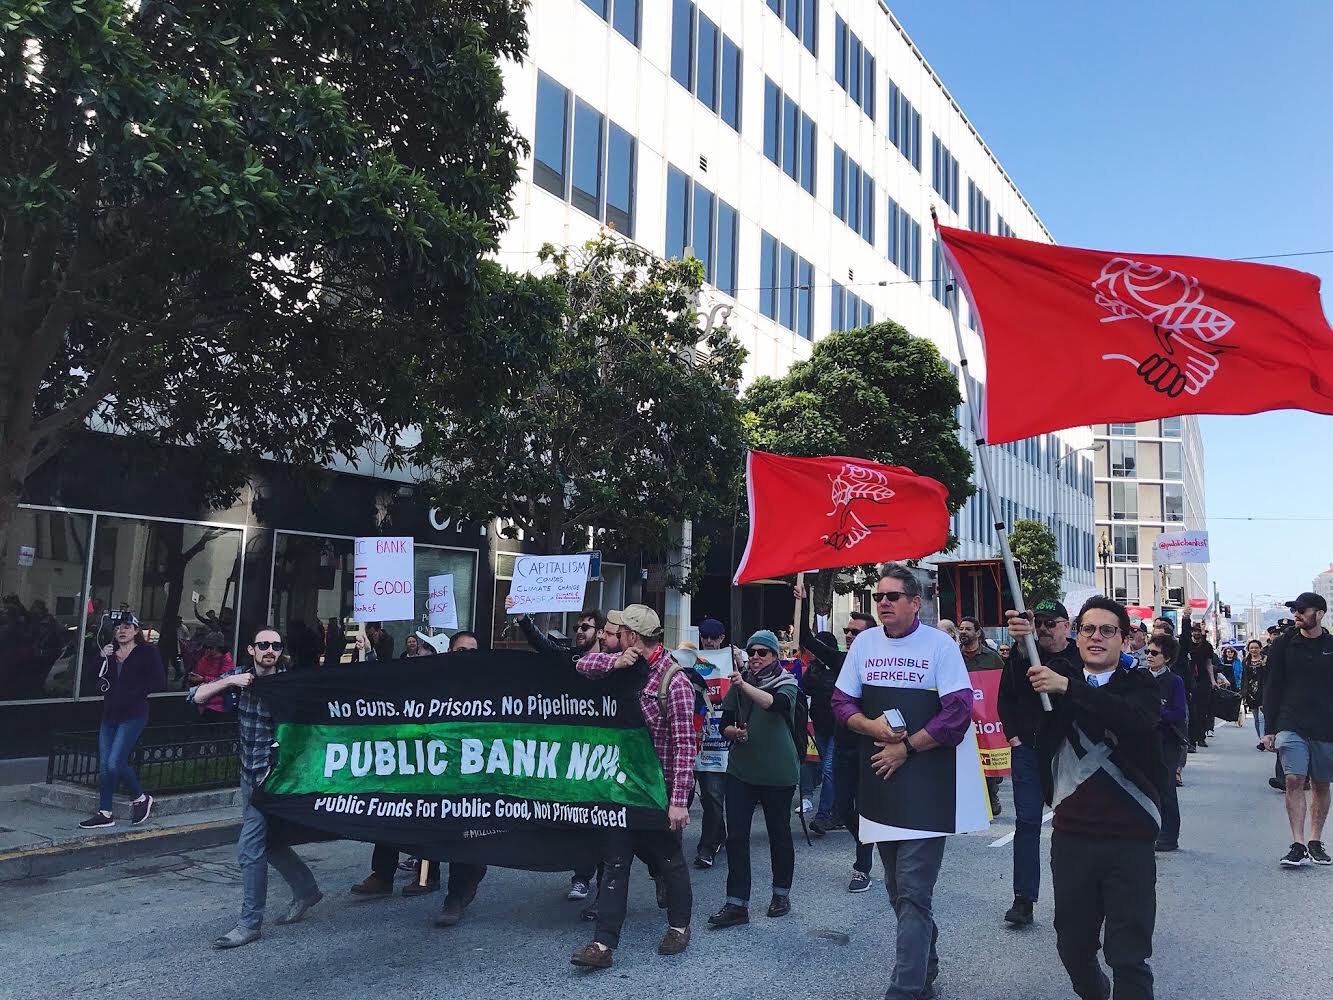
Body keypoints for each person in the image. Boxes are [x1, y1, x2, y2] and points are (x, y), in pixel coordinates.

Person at [831, 564, 975, 1000]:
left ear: (916, 603)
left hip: (928, 787)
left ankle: (906, 988)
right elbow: (840, 701)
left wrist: (906, 747)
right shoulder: (864, 645)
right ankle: (926, 963)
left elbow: (958, 713)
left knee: (913, 892)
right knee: (897, 890)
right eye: (879, 597)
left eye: (893, 596)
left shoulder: (939, 646)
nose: (884, 603)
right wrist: (871, 728)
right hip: (880, 787)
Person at [1025, 597, 1163, 1000]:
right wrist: (1023, 644)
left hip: (1130, 838)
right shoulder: (1057, 677)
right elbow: (1023, 685)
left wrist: (1070, 687)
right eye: (1088, 629)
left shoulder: (1140, 685)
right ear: (1076, 635)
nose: (1097, 637)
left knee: (1128, 954)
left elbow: (1132, 721)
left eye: (1107, 630)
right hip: (1073, 837)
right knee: (1073, 944)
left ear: (1124, 639)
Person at [569, 605, 693, 969]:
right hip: (623, 788)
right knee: (615, 862)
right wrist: (614, 664)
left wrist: (679, 801)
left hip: (658, 791)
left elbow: (686, 744)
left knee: (669, 860)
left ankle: (679, 927)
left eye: (619, 631)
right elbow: (581, 665)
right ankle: (603, 945)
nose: (613, 636)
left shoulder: (674, 681)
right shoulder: (623, 666)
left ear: (633, 637)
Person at [191, 628, 322, 948]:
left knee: (250, 849)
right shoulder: (238, 678)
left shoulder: (288, 684)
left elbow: (308, 729)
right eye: (263, 645)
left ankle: (249, 924)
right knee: (271, 842)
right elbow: (195, 696)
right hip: (249, 775)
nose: (270, 651)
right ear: (251, 649)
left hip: (274, 779)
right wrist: (228, 682)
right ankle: (306, 888)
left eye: (276, 646)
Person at [350, 631, 488, 912]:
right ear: (449, 651)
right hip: (423, 763)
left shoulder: (486, 687)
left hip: (462, 772)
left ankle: (454, 894)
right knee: (392, 811)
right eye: (461, 650)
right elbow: (388, 687)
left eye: (474, 651)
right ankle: (383, 873)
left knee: (457, 831)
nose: (468, 657)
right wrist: (370, 654)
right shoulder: (429, 676)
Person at [505, 596, 605, 901]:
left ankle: (618, 879)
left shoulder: (618, 663)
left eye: (585, 627)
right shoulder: (571, 656)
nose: (579, 631)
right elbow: (544, 647)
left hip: (605, 750)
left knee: (605, 819)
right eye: (576, 627)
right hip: (575, 751)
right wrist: (523, 619)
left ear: (600, 632)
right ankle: (582, 876)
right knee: (582, 816)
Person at [707, 629, 800, 929]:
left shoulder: (787, 682)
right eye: (753, 652)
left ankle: (781, 893)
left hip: (778, 772)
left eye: (763, 652)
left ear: (775, 656)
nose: (757, 657)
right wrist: (733, 732)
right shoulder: (740, 683)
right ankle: (736, 904)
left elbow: (774, 704)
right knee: (736, 836)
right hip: (741, 770)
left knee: (779, 834)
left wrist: (744, 686)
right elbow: (724, 724)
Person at [793, 582, 878, 890]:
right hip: (843, 744)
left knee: (867, 806)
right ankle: (869, 838)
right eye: (848, 631)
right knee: (842, 808)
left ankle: (862, 867)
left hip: (873, 747)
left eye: (856, 632)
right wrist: (803, 602)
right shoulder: (842, 660)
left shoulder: (884, 665)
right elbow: (807, 641)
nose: (850, 636)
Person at [996, 598, 1075, 927]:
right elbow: (1006, 696)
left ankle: (1076, 899)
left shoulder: (1079, 656)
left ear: (1066, 627)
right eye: (1038, 622)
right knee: (1027, 823)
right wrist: (1013, 736)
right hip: (1028, 749)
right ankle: (1023, 898)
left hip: (1069, 753)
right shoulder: (1023, 653)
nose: (1043, 628)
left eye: (1050, 622)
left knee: (1073, 826)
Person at [1261, 592, 1333, 867]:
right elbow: (1273, 686)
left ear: (1320, 613)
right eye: (1295, 610)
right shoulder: (1283, 645)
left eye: (1302, 610)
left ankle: (1315, 841)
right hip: (1291, 722)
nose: (1297, 614)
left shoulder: (1331, 645)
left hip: (1327, 725)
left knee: (1321, 783)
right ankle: (1298, 843)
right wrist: (1269, 729)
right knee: (1293, 779)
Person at [78, 614, 166, 829]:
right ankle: (105, 812)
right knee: (105, 764)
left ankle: (140, 798)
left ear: (136, 631)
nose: (122, 631)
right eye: (118, 628)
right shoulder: (109, 653)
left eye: (127, 627)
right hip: (110, 713)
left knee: (115, 761)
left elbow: (159, 681)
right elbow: (89, 677)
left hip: (134, 713)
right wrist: (100, 656)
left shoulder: (147, 652)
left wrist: (134, 693)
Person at [958, 615, 1005, 817]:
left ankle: (991, 795)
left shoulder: (992, 658)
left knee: (987, 759)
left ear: (978, 632)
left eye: (968, 629)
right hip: (962, 717)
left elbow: (1001, 687)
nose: (963, 632)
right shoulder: (952, 656)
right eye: (961, 629)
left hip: (986, 718)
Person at [693, 617, 730, 867]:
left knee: (714, 794)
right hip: (694, 736)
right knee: (705, 796)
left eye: (713, 637)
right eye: (704, 636)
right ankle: (719, 834)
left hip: (718, 741)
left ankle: (707, 847)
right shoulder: (690, 659)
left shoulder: (733, 661)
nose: (708, 641)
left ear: (722, 639)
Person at [1145, 634, 1188, 849]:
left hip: (1168, 741)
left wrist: (1156, 711)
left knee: (1166, 787)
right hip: (1144, 740)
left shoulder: (1174, 681)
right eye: (1147, 652)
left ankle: (1169, 836)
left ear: (1167, 658)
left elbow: (1179, 713)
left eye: (1154, 653)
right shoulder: (1140, 676)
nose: (1149, 656)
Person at [187, 632, 234, 718]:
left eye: (211, 648)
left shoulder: (226, 660)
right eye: (206, 647)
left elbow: (224, 682)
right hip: (201, 700)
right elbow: (198, 672)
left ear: (219, 648)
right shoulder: (204, 658)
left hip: (217, 705)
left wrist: (203, 679)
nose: (207, 650)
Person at [1240, 639, 1267, 747]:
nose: (1254, 650)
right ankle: (1260, 737)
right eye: (1251, 648)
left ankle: (1262, 740)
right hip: (1251, 693)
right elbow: (1244, 678)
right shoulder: (1246, 661)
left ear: (1260, 649)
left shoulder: (1266, 660)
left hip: (1264, 691)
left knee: (1262, 717)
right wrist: (1243, 692)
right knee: (1256, 718)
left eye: (1256, 647)